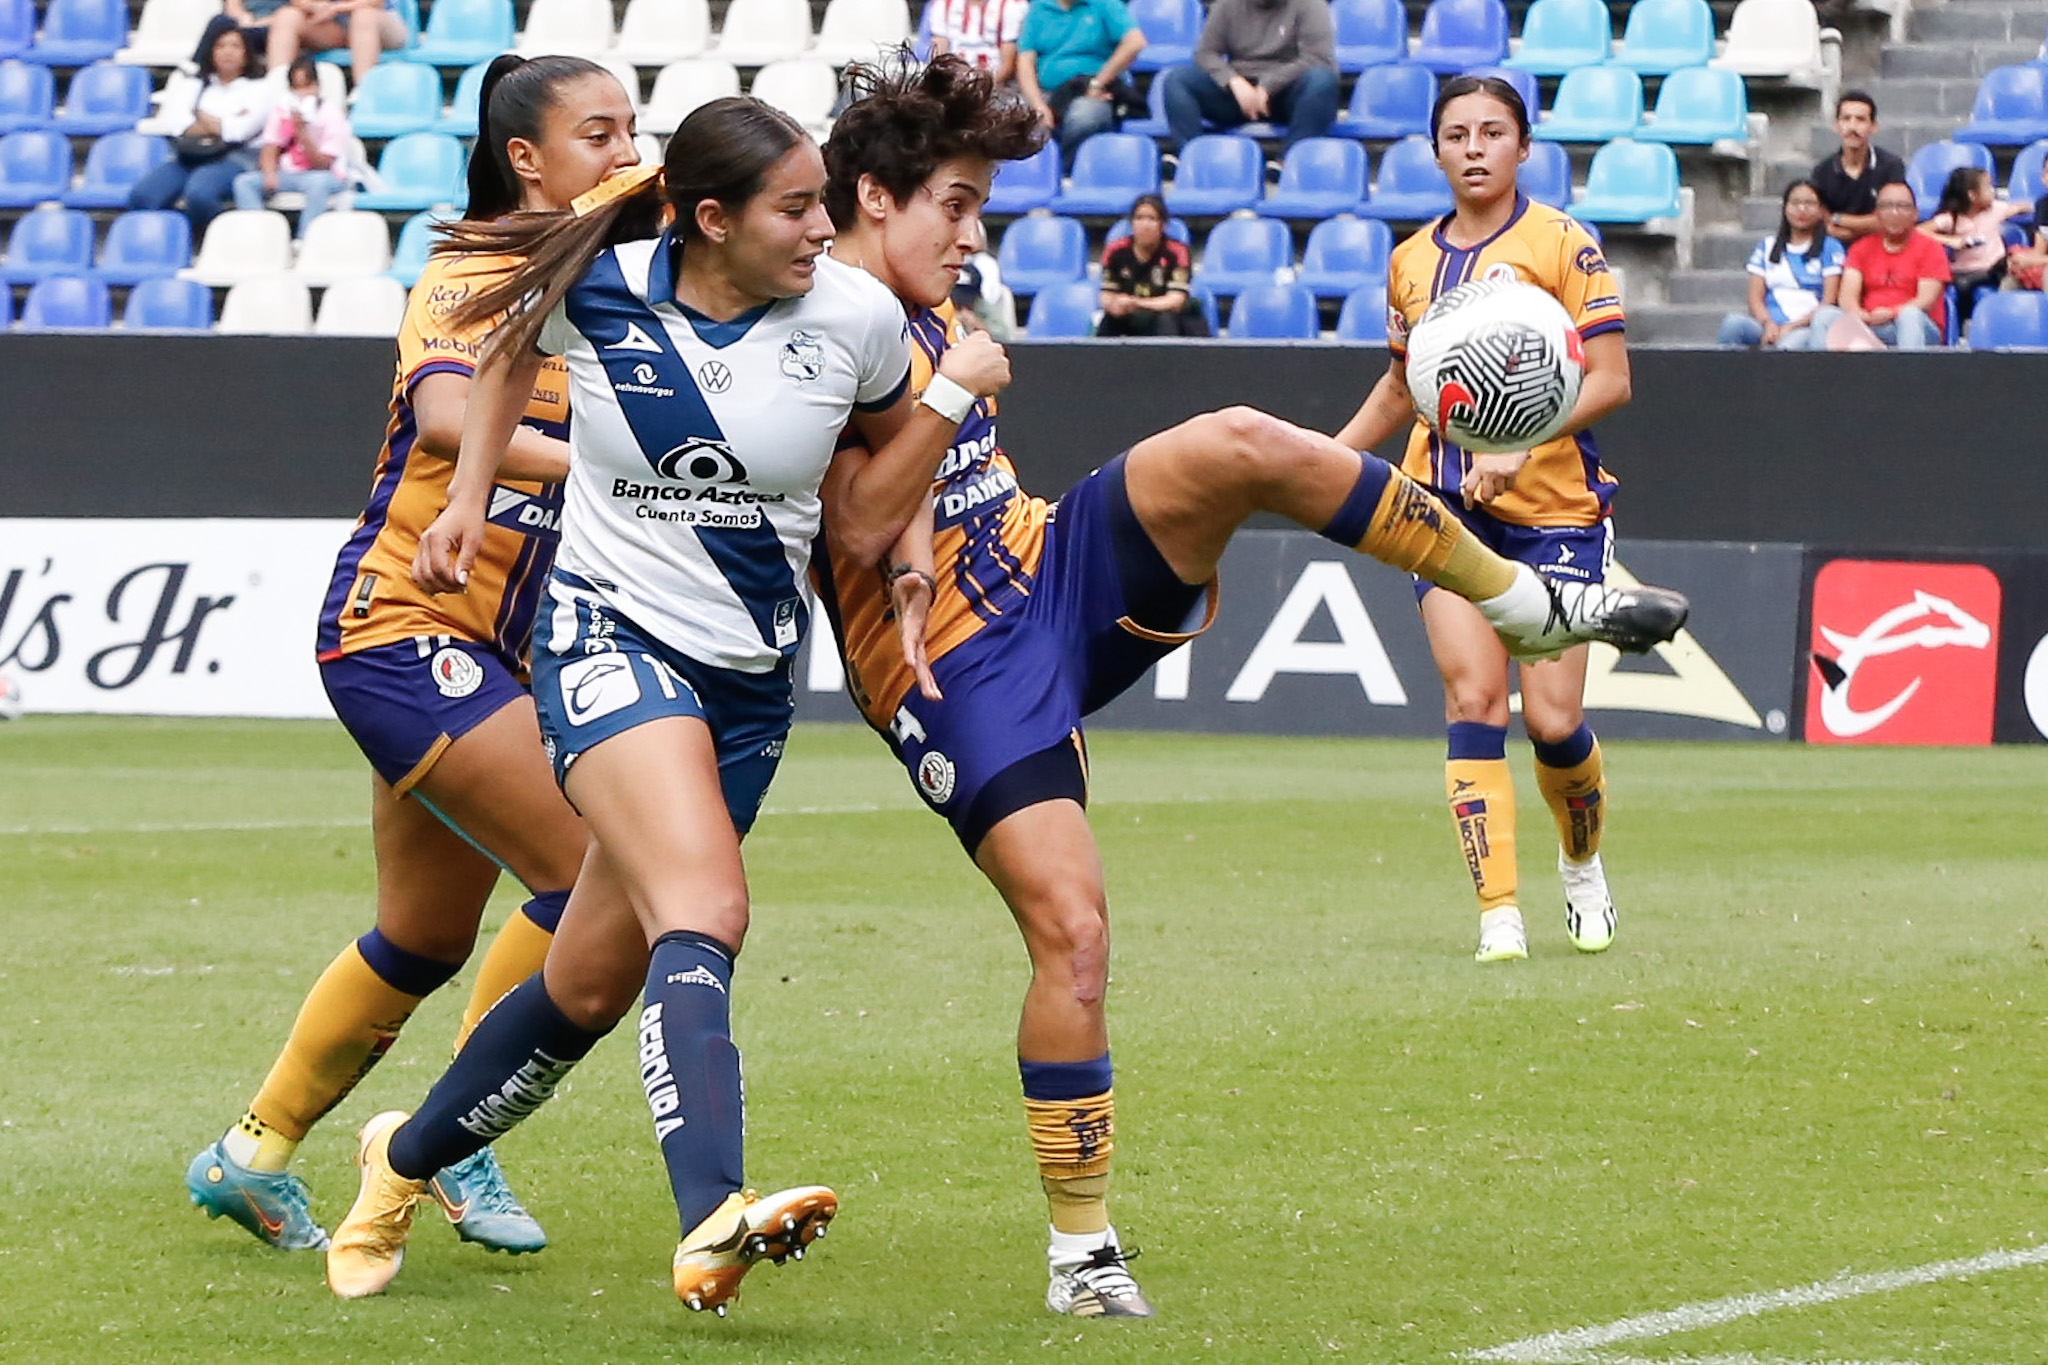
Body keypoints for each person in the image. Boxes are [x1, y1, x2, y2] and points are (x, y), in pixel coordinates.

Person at [814, 58, 1687, 1316]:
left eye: (979, 211)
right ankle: (1081, 1254)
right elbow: (854, 522)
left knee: (1237, 438)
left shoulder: (924, 307)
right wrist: (947, 412)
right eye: (952, 205)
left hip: (1042, 562)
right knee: (1074, 933)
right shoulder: (813, 318)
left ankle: (1521, 601)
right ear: (870, 197)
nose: (969, 235)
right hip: (951, 666)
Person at [319, 93, 1016, 1312]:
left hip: (748, 684)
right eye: (794, 208)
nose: (821, 228)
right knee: (707, 906)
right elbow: (494, 362)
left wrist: (925, 489)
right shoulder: (603, 283)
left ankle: (401, 1160)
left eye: (822, 203)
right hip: (605, 641)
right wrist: (471, 496)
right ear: (709, 220)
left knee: (585, 989)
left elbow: (873, 486)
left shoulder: (853, 317)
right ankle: (711, 1219)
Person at [184, 54, 635, 1260]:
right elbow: (447, 419)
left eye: (632, 129)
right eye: (599, 134)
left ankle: (250, 1152)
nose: (624, 151)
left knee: (422, 936)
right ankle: (452, 1128)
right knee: (598, 869)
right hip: (400, 625)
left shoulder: (604, 297)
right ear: (527, 159)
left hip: (495, 655)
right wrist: (628, 461)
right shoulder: (474, 272)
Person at [1332, 75, 1657, 964]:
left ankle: (1581, 864)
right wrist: (1320, 461)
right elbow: (1404, 386)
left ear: (1523, 146)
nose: (1474, 148)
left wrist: (1521, 436)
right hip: (1438, 506)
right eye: (1457, 134)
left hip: (1557, 511)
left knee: (1552, 721)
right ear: (1434, 151)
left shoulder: (1562, 243)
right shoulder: (1409, 262)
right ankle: (1499, 914)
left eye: (1492, 132)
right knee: (1472, 699)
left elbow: (1614, 378)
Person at [127, 19, 271, 234]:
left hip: (236, 156)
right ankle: (170, 239)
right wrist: (219, 123)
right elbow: (177, 125)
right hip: (191, 154)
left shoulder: (260, 88)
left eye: (235, 46)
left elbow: (238, 131)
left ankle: (215, 241)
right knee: (143, 195)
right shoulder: (195, 84)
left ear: (246, 53)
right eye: (221, 46)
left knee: (199, 192)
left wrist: (199, 116)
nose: (227, 52)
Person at [1159, 0, 1339, 155]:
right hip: (1239, 93)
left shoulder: (1310, 4)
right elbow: (1205, 53)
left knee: (1322, 80)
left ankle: (1291, 161)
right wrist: (1233, 81)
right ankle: (1193, 159)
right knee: (1177, 80)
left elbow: (1318, 58)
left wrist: (1268, 85)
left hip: (1289, 92)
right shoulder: (1227, 5)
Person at [1810, 181, 1950, 350]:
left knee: (1909, 315)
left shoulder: (1931, 248)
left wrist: (1892, 313)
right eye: (1887, 206)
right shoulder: (1861, 248)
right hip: (1869, 324)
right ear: (1876, 213)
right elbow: (1847, 296)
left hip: (1914, 326)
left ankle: (1909, 374)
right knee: (1824, 316)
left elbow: (1925, 300)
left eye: (1903, 206)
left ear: (1915, 213)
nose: (1894, 212)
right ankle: (1821, 375)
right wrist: (1858, 314)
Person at [1016, 0, 1147, 172]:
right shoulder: (1039, 7)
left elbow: (1135, 42)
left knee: (1084, 118)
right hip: (1046, 93)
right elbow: (1025, 61)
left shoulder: (1105, 4)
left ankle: (1063, 174)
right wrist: (1038, 105)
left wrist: (1098, 82)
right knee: (1012, 116)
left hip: (1091, 93)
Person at [232, 56, 352, 239]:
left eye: (308, 86)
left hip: (325, 174)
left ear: (317, 86)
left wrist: (303, 134)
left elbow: (324, 164)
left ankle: (306, 239)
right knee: (244, 183)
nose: (302, 94)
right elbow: (270, 147)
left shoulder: (331, 114)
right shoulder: (281, 112)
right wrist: (270, 173)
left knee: (317, 184)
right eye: (297, 88)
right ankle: (260, 237)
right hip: (289, 173)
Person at [1716, 179, 1845, 349]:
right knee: (1732, 324)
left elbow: (1828, 301)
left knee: (1786, 346)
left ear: (1821, 210)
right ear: (1785, 208)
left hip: (1806, 327)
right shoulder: (1767, 246)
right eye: (1795, 203)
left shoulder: (1830, 247)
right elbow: (1755, 298)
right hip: (1768, 326)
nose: (1802, 209)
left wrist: (1792, 326)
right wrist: (1768, 323)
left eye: (1809, 203)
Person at [1922, 166, 2028, 328]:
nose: (1993, 191)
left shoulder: (1996, 210)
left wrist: (2028, 207)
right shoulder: (1951, 219)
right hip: (1962, 271)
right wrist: (1949, 240)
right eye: (1988, 187)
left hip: (1992, 269)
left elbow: (2021, 207)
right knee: (1960, 285)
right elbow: (1918, 232)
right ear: (1972, 195)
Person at [1095, 192, 1206, 337]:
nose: (1145, 225)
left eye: (1152, 219)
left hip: (1165, 317)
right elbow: (1105, 295)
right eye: (1139, 218)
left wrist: (1137, 303)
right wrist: (1114, 304)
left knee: (1166, 319)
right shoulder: (1115, 250)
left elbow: (1176, 300)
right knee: (1108, 321)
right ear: (1131, 223)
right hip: (1129, 315)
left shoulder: (1177, 251)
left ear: (1163, 225)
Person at [1811, 90, 1907, 244]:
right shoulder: (1822, 171)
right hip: (1836, 250)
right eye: (1846, 119)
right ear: (1836, 126)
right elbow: (1823, 224)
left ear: (1873, 126)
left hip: (1882, 248)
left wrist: (1838, 218)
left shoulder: (1891, 166)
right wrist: (1865, 225)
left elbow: (1890, 219)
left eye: (1860, 120)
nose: (1852, 127)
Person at [265, 0, 409, 77]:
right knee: (287, 16)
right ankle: (276, 87)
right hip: (338, 27)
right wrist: (314, 5)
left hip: (382, 23)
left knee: (363, 16)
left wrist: (336, 8)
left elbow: (374, 2)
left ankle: (363, 91)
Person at [929, 0, 1030, 84]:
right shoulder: (943, 5)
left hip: (997, 88)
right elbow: (939, 56)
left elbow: (1008, 65)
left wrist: (982, 90)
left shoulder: (1012, 6)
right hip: (954, 85)